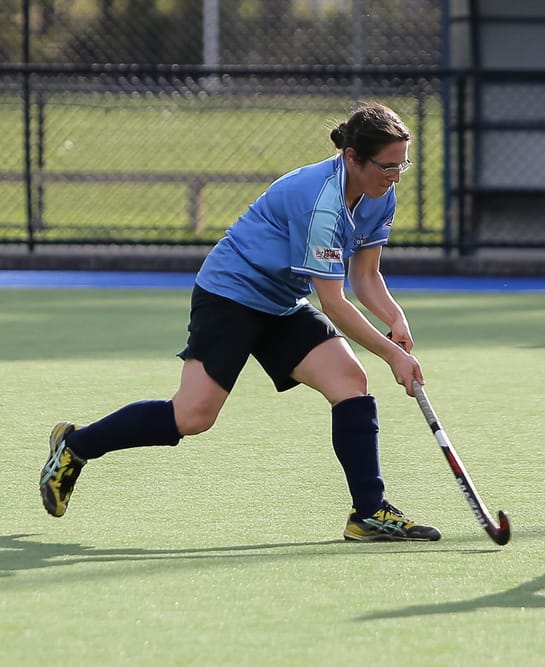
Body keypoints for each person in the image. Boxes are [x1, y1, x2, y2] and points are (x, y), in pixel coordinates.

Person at [39, 102, 442, 542]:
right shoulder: (320, 201)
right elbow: (334, 302)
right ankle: (75, 446)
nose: (396, 175)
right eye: (387, 166)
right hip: (230, 294)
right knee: (192, 415)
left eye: (402, 164)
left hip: (281, 302)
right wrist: (391, 356)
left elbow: (365, 275)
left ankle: (368, 513)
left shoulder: (379, 193)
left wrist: (395, 316)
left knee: (349, 381)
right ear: (352, 158)